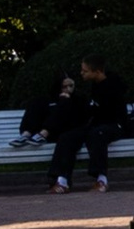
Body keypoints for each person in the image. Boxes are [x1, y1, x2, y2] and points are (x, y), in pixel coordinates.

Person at [40, 55, 123, 192]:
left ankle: (101, 179)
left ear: (97, 72)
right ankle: (62, 180)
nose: (81, 73)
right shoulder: (93, 86)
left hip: (113, 125)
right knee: (67, 137)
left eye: (85, 71)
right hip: (94, 125)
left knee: (97, 135)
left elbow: (110, 112)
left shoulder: (114, 85)